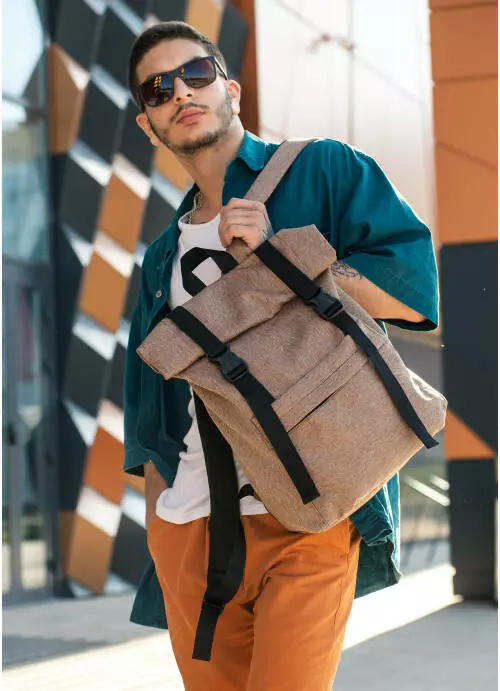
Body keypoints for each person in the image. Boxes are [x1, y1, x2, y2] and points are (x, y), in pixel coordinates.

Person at [123, 20, 439, 690]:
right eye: (158, 89)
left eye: (196, 74)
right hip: (192, 526)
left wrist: (284, 259)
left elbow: (412, 296)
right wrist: (160, 526)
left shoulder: (322, 170)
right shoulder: (159, 259)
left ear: (231, 89)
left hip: (311, 511)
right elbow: (149, 412)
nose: (181, 92)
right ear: (148, 125)